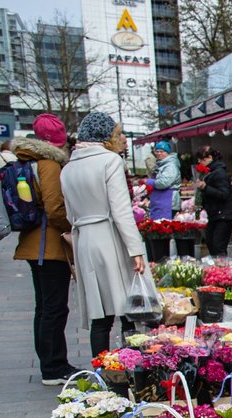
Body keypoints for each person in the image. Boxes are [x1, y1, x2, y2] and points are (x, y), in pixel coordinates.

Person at [60, 112, 146, 358]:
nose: (122, 139)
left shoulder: (69, 167)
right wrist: (135, 248)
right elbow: (121, 210)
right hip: (110, 237)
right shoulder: (110, 161)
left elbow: (69, 213)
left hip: (84, 239)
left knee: (101, 312)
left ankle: (101, 369)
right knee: (127, 307)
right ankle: (131, 366)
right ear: (105, 136)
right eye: (118, 134)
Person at [14, 114, 77, 385]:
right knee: (54, 307)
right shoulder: (49, 164)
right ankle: (54, 366)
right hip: (47, 246)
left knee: (44, 307)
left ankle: (49, 363)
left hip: (33, 244)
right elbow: (54, 208)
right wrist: (71, 224)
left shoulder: (27, 160)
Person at [194, 146, 232, 256]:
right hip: (216, 215)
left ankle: (223, 271)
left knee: (218, 246)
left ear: (210, 158)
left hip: (224, 215)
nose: (200, 162)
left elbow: (224, 194)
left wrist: (205, 187)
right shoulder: (210, 172)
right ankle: (218, 270)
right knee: (211, 242)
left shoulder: (219, 173)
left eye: (202, 159)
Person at [144, 141, 181, 220]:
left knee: (164, 226)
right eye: (157, 151)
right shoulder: (161, 163)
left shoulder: (171, 165)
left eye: (162, 151)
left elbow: (164, 183)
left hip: (168, 201)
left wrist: (149, 181)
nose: (159, 153)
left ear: (167, 152)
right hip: (161, 200)